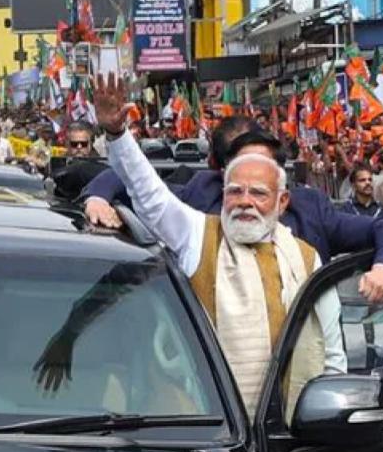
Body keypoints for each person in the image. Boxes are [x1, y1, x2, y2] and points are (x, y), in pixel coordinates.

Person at [93, 73, 341, 419]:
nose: (244, 202)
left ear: (282, 201)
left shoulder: (305, 257)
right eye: (235, 191)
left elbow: (330, 354)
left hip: (288, 440)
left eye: (258, 193)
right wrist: (118, 136)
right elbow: (151, 197)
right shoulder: (199, 235)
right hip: (211, 435)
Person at [82, 115, 383, 303]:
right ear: (222, 177)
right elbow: (139, 186)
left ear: (282, 194)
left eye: (262, 181)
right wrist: (97, 198)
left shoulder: (310, 223)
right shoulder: (196, 214)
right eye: (238, 185)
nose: (246, 199)